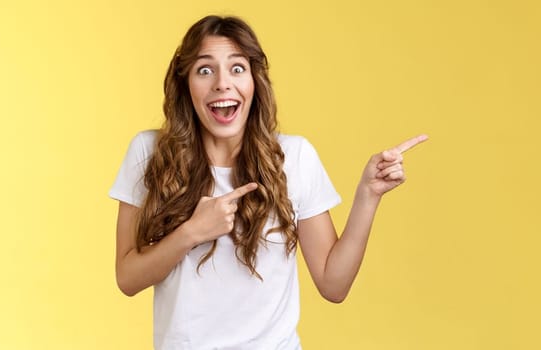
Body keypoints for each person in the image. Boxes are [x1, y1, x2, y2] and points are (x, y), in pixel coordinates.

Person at [109, 15, 428, 349]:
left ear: (254, 82)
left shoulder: (294, 157)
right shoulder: (150, 153)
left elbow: (334, 286)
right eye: (205, 70)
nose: (222, 83)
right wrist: (192, 232)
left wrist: (368, 194)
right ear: (186, 83)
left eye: (237, 68)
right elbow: (127, 278)